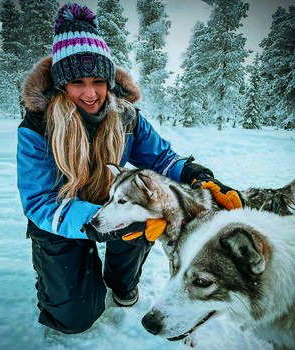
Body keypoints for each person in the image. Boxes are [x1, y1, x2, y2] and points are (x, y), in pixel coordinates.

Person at [17, 3, 243, 335]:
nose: (90, 93)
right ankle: (60, 281)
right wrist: (95, 225)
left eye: (98, 80)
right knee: (74, 320)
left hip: (111, 207)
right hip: (58, 220)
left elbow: (164, 160)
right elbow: (40, 201)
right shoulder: (37, 126)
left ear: (109, 81)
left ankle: (121, 280)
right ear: (62, 84)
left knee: (149, 210)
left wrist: (199, 177)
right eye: (77, 82)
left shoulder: (126, 116)